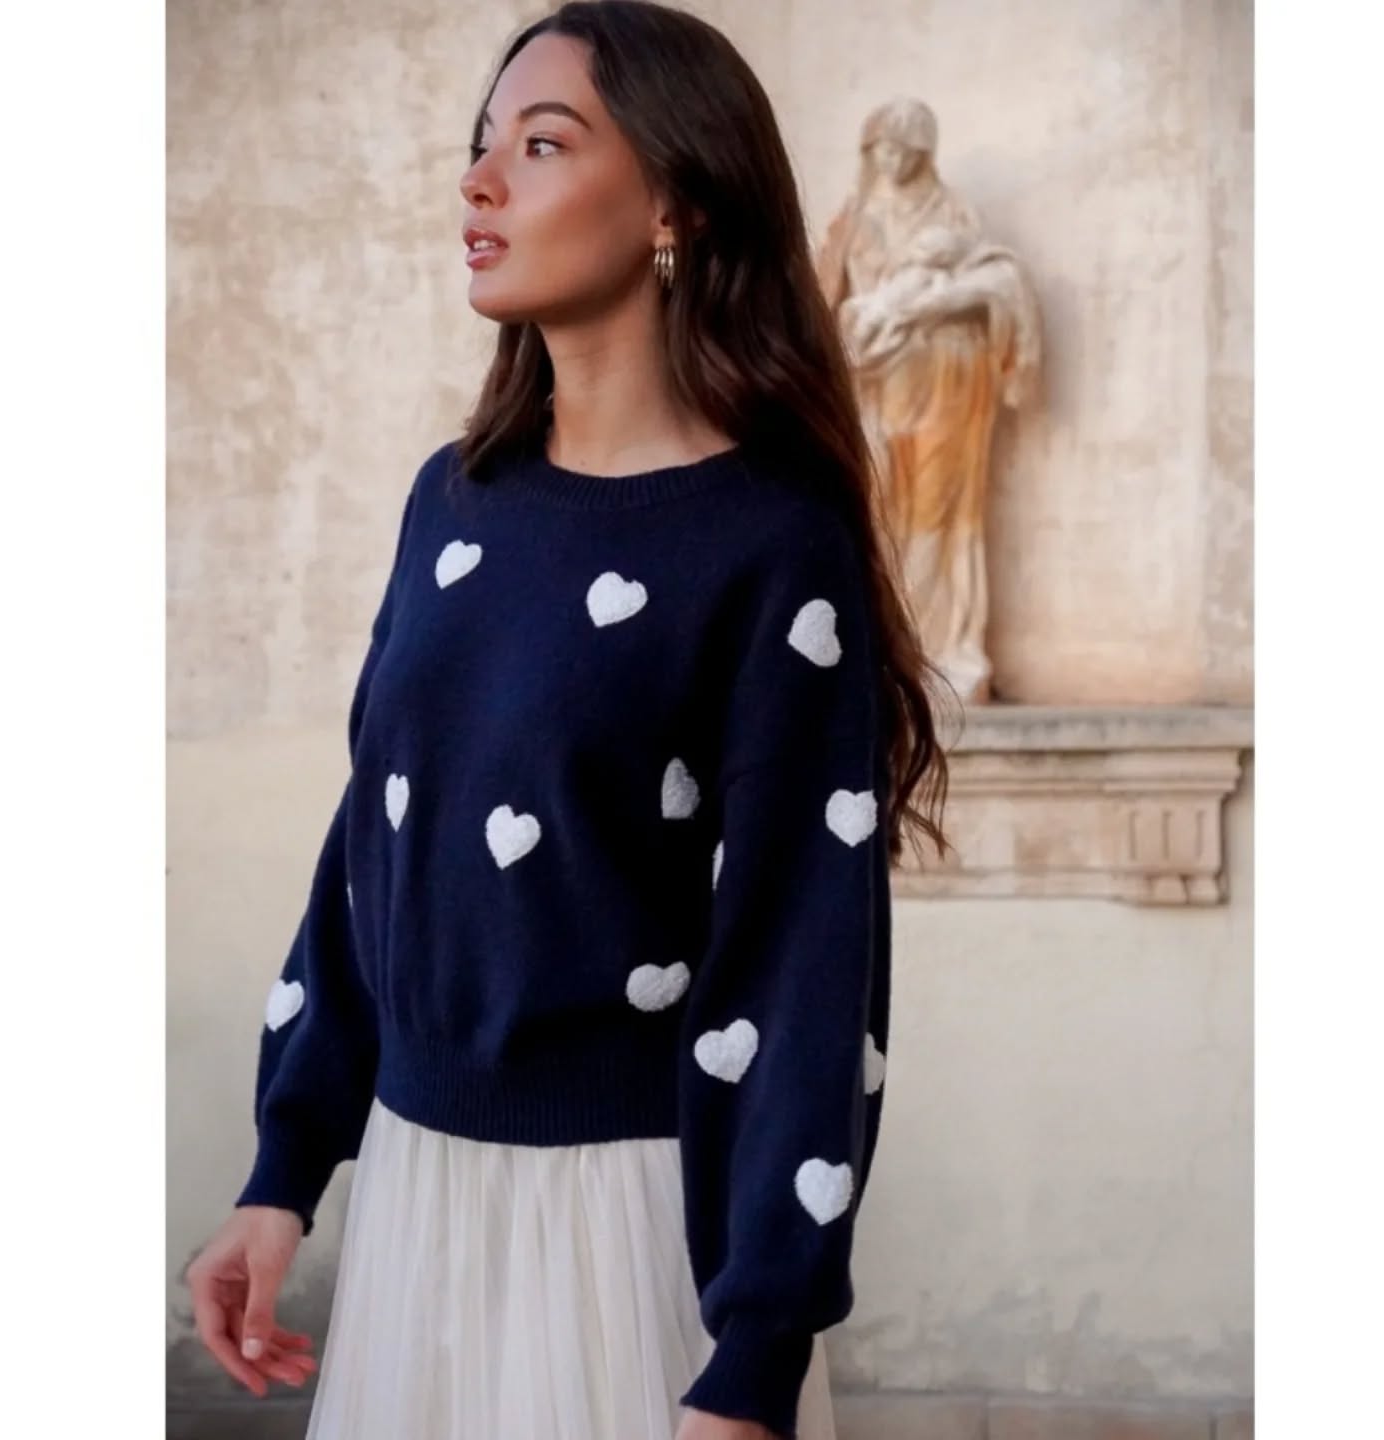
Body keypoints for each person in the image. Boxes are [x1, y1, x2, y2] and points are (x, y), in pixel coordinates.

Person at [185, 4, 954, 1437]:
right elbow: (377, 847)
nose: (478, 181)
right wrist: (283, 1173)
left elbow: (802, 954)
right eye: (481, 144)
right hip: (416, 1208)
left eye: (541, 146)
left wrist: (756, 1352)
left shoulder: (772, 542)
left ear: (674, 204)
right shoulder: (451, 503)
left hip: (627, 1236)